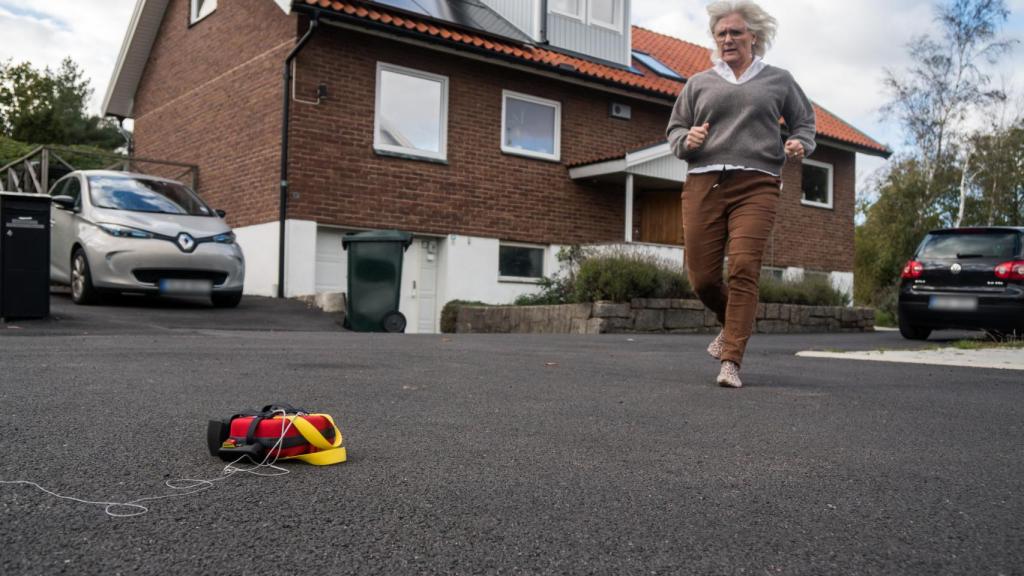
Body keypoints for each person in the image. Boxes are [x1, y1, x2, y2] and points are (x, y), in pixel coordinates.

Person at [666, 0, 816, 388]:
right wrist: (689, 139)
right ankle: (731, 323)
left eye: (735, 32)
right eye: (721, 34)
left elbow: (804, 123)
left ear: (754, 36)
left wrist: (800, 143)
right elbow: (675, 131)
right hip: (704, 181)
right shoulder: (699, 82)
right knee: (700, 278)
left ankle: (731, 358)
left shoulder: (778, 79)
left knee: (745, 267)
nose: (728, 39)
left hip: (758, 182)